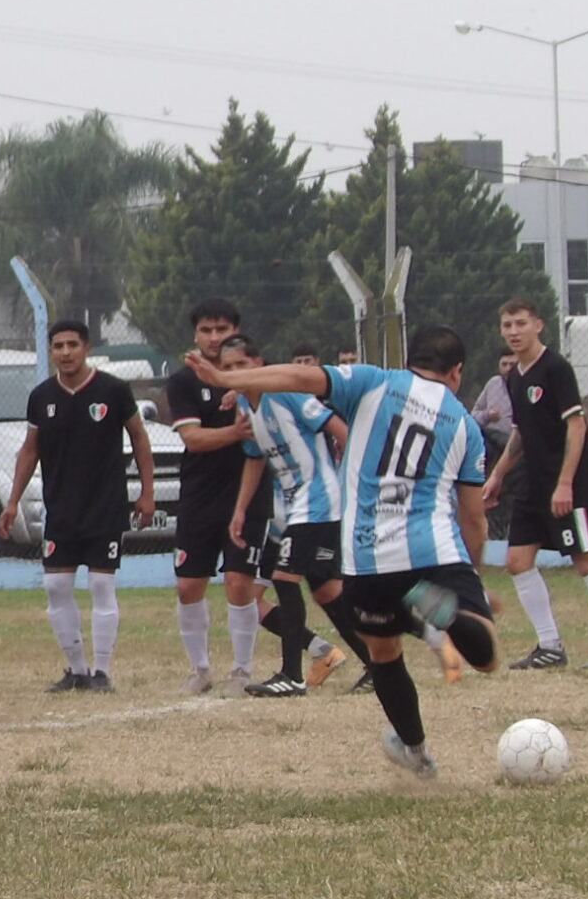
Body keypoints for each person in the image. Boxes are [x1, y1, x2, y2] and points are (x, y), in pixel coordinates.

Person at [192, 323, 504, 777]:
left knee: (383, 651)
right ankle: (440, 609)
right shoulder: (464, 423)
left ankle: (415, 752)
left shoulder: (374, 381)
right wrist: (472, 575)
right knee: (487, 658)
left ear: (408, 361)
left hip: (366, 560)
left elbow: (300, 377)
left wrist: (226, 378)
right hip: (433, 551)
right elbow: (473, 518)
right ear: (457, 371)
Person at [0, 319, 156, 692]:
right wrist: (12, 501)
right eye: (58, 346)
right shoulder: (41, 397)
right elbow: (30, 449)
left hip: (105, 506)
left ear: (87, 348)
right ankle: (77, 671)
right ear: (51, 351)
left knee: (101, 585)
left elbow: (139, 437)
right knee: (56, 587)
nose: (65, 352)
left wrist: (147, 492)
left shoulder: (113, 390)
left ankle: (101, 672)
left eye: (72, 345)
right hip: (61, 508)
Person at [224, 334, 370, 696]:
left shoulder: (287, 393)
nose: (235, 372)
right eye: (227, 368)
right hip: (294, 507)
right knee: (327, 591)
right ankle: (378, 664)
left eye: (241, 364)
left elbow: (341, 430)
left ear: (259, 364)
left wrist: (358, 480)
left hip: (319, 501)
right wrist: (240, 509)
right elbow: (255, 459)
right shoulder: (244, 405)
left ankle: (291, 675)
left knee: (284, 579)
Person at [484, 298, 588, 671]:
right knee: (517, 561)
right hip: (532, 484)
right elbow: (520, 432)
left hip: (567, 484)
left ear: (538, 325)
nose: (514, 331)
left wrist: (565, 485)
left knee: (586, 561)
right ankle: (549, 647)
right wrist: (497, 475)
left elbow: (576, 426)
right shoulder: (515, 376)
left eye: (521, 323)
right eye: (507, 325)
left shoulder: (556, 368)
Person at [166, 299, 268, 692]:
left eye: (221, 329)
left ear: (236, 332)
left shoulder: (256, 377)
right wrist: (235, 433)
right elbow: (193, 438)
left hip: (248, 494)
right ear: (195, 335)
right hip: (199, 495)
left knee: (239, 584)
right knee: (188, 586)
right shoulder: (183, 382)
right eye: (206, 330)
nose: (213, 337)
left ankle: (242, 671)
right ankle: (201, 670)